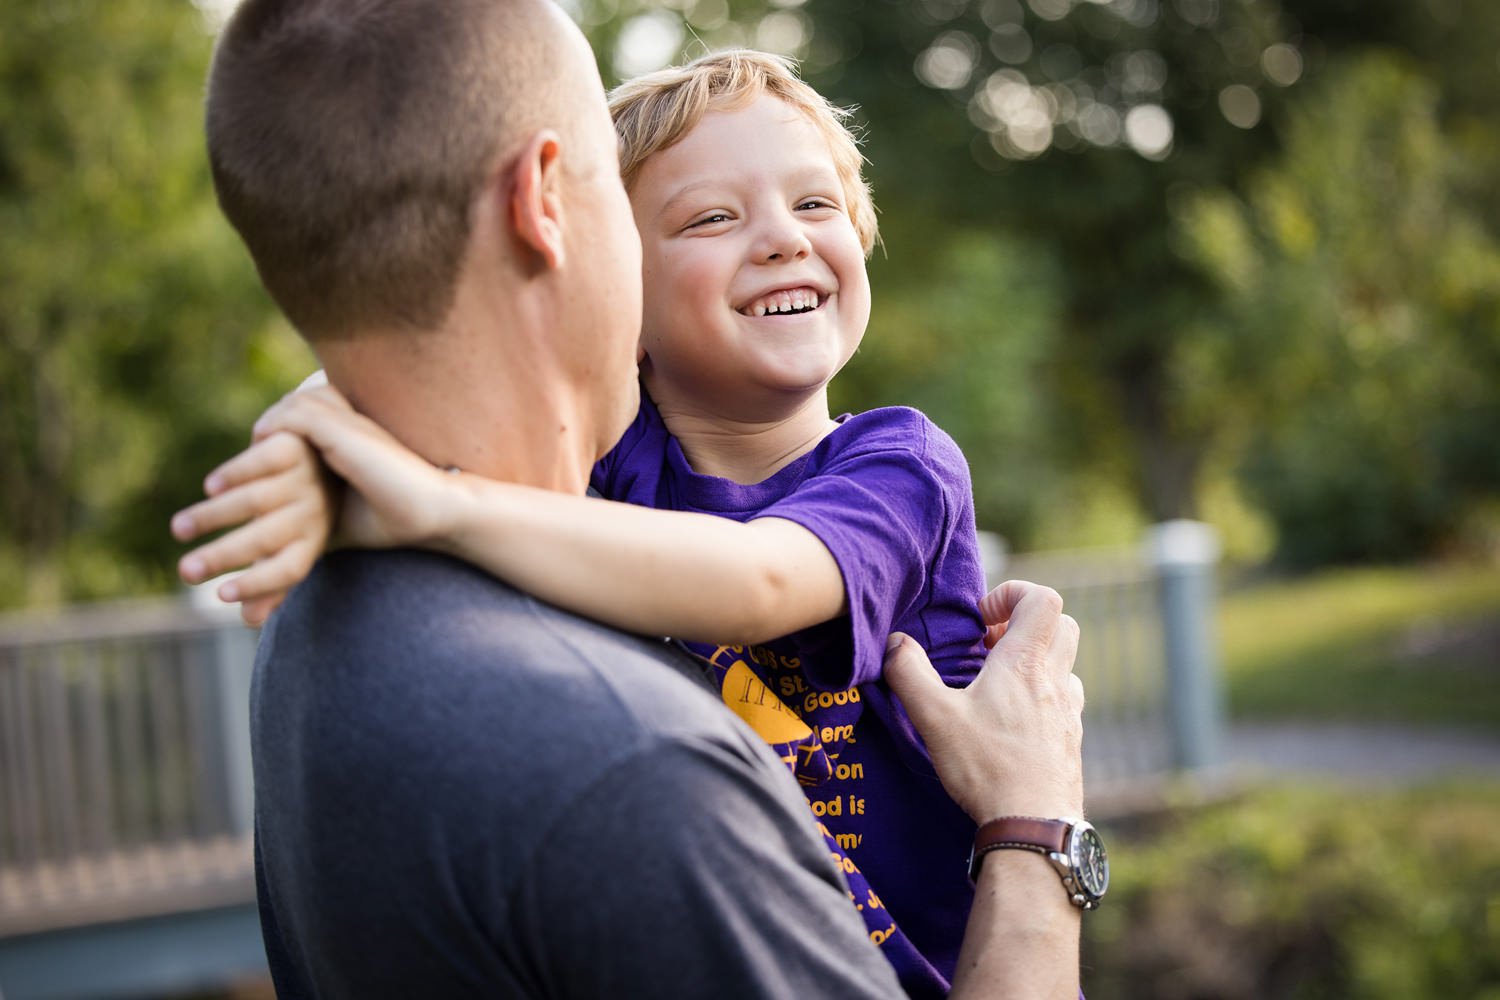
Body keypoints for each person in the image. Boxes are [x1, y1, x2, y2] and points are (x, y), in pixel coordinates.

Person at [186, 0, 1090, 995]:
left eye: (817, 204)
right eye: (712, 217)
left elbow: (760, 580)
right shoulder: (623, 464)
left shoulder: (898, 465)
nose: (783, 239)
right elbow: (396, 320)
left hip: (939, 959)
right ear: (603, 260)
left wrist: (437, 505)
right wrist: (310, 448)